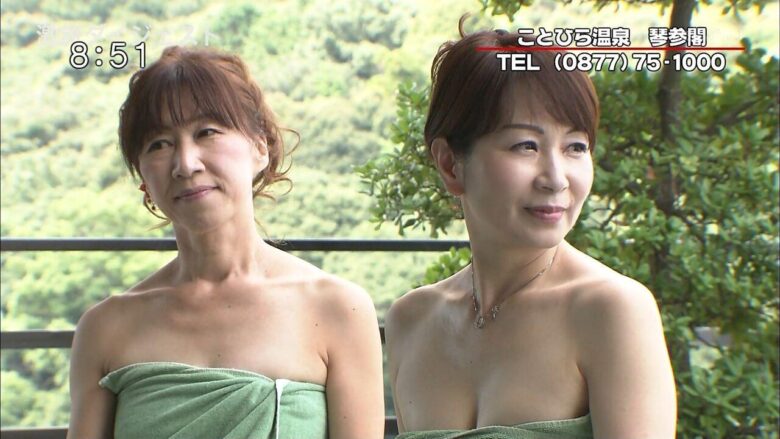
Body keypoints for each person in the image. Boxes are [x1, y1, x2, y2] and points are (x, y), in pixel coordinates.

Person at [67, 46, 384, 439]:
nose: (186, 164)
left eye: (207, 132)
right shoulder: (105, 327)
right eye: (159, 144)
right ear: (143, 181)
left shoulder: (337, 308)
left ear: (260, 147)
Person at [385, 20, 677, 439]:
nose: (556, 178)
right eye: (526, 145)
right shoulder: (411, 321)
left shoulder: (611, 310)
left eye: (575, 147)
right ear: (450, 164)